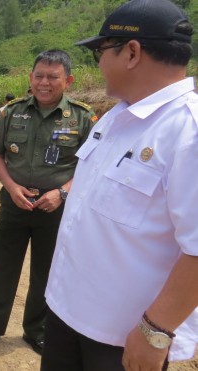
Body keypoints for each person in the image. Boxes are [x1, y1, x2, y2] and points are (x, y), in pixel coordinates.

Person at [42, 0, 198, 369]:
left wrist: (155, 330)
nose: (97, 62)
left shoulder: (187, 131)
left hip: (122, 337)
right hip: (68, 310)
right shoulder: (116, 117)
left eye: (100, 51)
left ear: (131, 52)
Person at [0, 49, 97, 355]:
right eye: (39, 76)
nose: (45, 83)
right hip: (15, 204)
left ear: (69, 80)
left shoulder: (83, 117)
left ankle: (36, 330)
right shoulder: (11, 112)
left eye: (53, 77)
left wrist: (63, 192)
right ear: (30, 78)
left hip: (56, 209)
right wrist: (10, 187)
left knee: (47, 272)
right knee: (1, 268)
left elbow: (92, 165)